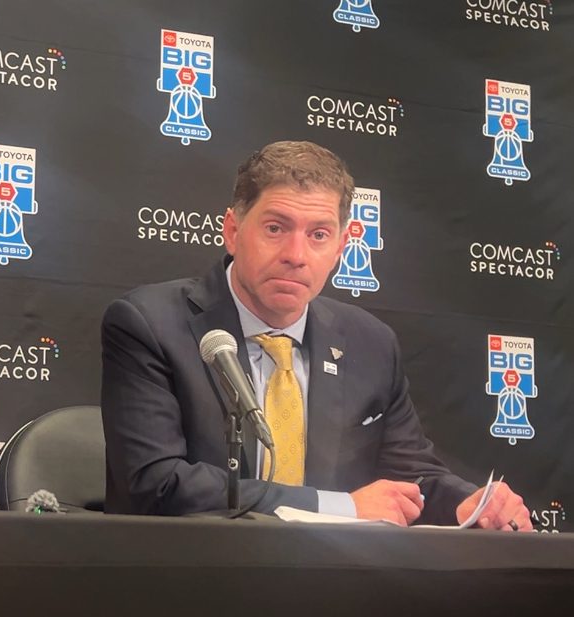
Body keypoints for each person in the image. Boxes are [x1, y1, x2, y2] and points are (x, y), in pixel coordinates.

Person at [100, 141, 531, 529]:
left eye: (319, 235)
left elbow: (409, 477)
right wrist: (341, 507)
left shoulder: (370, 343)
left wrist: (469, 503)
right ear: (233, 231)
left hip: (329, 588)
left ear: (341, 249)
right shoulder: (149, 324)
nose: (295, 255)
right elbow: (156, 483)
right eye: (275, 228)